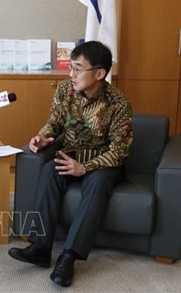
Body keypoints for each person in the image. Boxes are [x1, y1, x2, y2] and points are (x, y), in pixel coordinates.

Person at [8, 41, 133, 287]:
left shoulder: (119, 103)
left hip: (104, 162)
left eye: (77, 69)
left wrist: (85, 168)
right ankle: (40, 248)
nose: (71, 74)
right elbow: (54, 122)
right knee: (49, 170)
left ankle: (69, 257)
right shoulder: (65, 90)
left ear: (99, 73)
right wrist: (42, 136)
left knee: (97, 183)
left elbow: (120, 151)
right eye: (70, 67)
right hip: (71, 154)